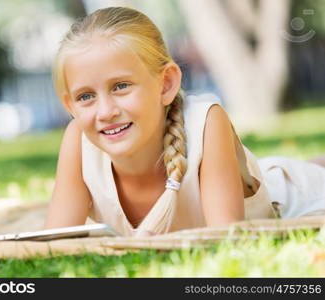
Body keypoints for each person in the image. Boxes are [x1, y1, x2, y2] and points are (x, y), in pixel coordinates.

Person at [45, 7, 325, 237]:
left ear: (166, 84)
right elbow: (53, 242)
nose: (105, 111)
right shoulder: (78, 139)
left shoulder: (205, 121)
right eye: (85, 96)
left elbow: (226, 237)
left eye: (120, 86)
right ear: (70, 105)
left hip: (291, 197)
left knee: (304, 175)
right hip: (251, 175)